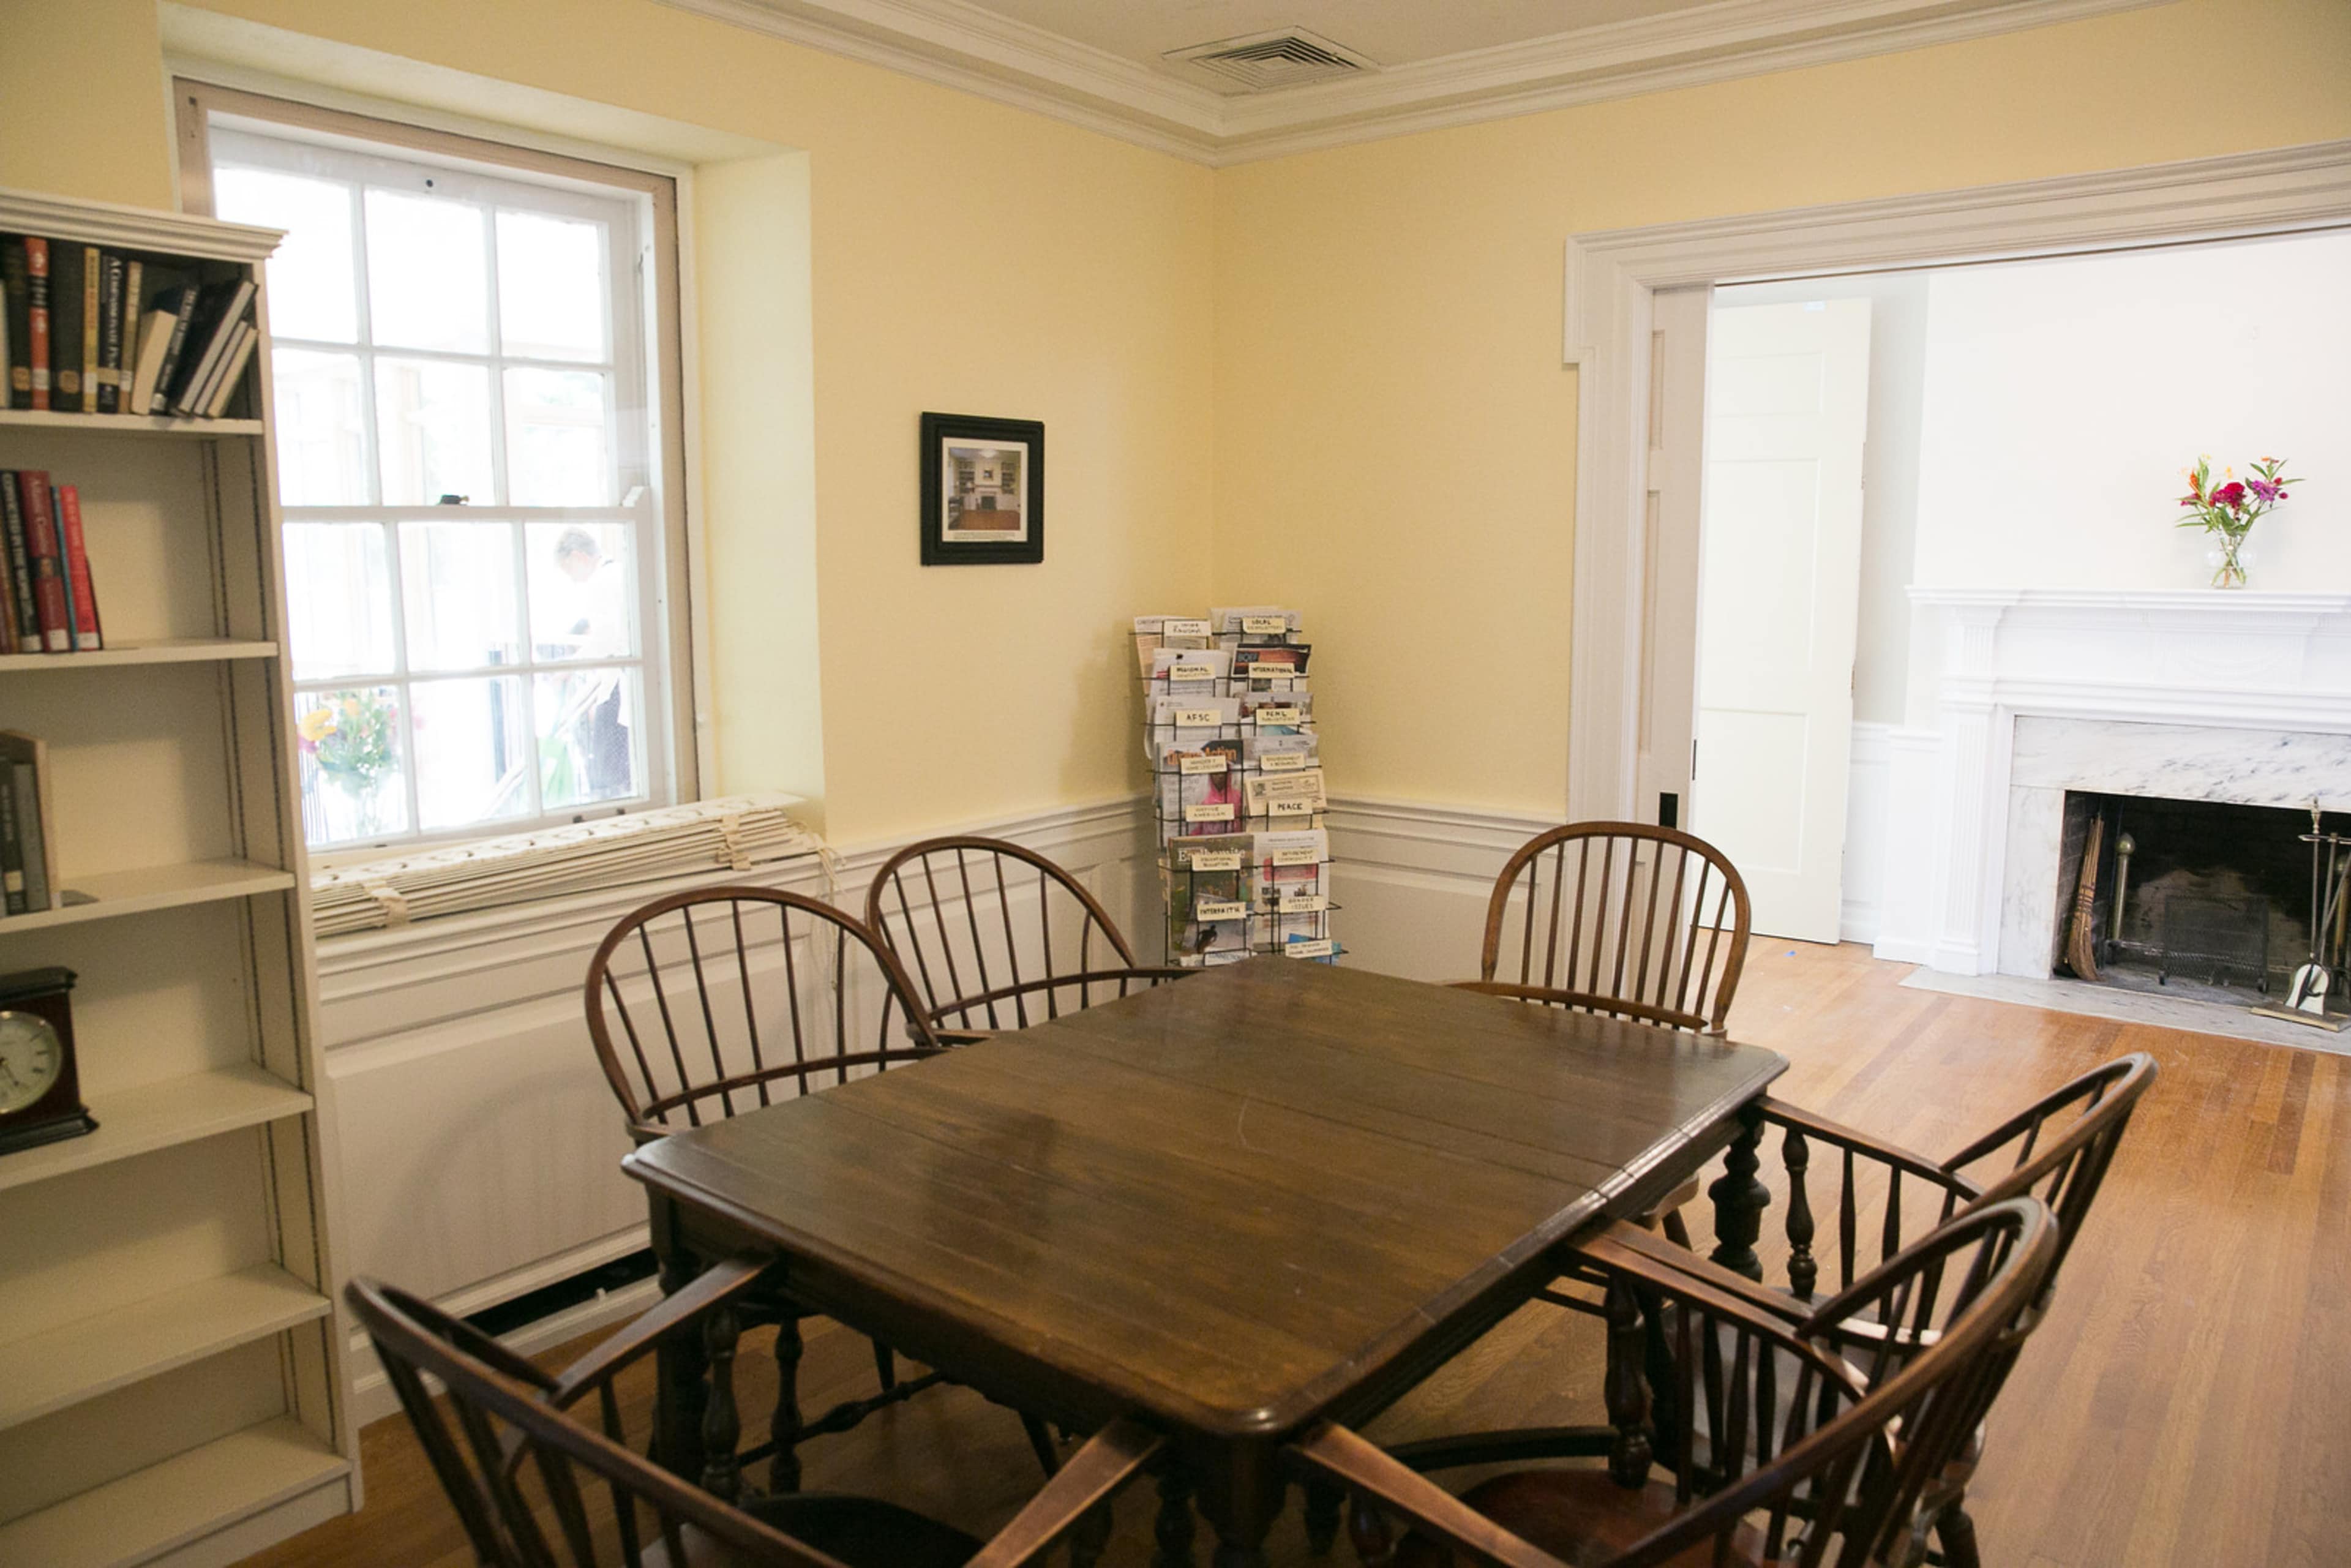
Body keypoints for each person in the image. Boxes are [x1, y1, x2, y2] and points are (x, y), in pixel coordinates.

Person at [553, 528, 632, 797]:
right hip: (625, 678)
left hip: (620, 680)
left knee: (609, 770)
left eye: (568, 569)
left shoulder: (602, 582)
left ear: (579, 556)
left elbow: (606, 639)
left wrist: (570, 666)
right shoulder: (621, 573)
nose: (572, 579)